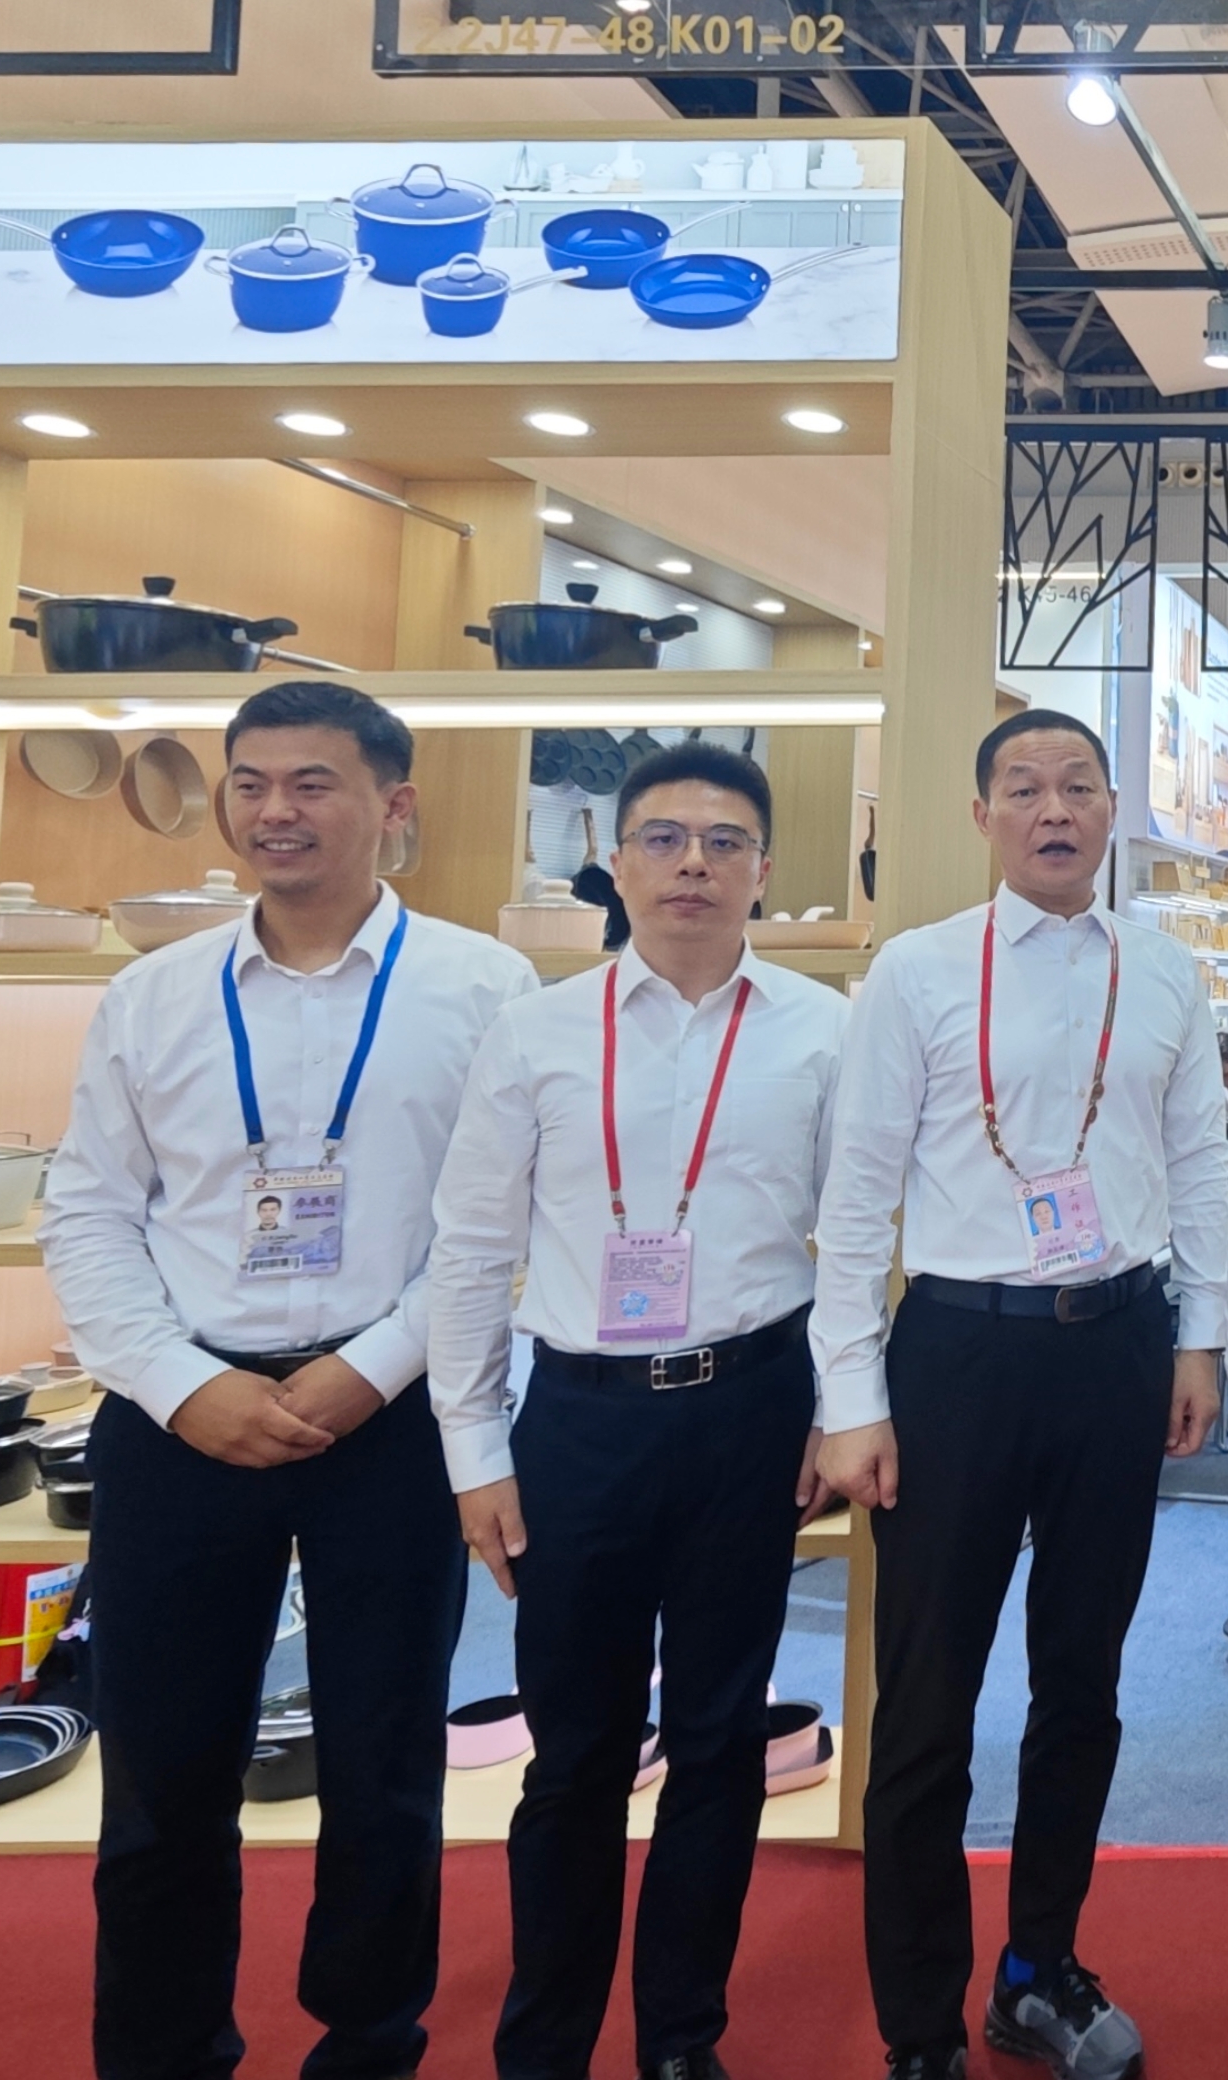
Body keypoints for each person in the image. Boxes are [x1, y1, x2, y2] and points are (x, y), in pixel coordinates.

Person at [38, 682, 537, 2080]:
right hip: (180, 1421)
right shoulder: (153, 996)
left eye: (312, 783)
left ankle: (368, 2041)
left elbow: (500, 1228)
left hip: (389, 1419)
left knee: (383, 1767)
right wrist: (177, 1381)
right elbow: (87, 1212)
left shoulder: (485, 990)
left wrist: (371, 1369)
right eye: (249, 783)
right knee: (161, 1769)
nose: (274, 811)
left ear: (393, 805)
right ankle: (161, 2048)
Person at [814, 709, 1228, 2080]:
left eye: (1077, 787)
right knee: (926, 1702)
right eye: (1023, 788)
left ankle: (1038, 1969)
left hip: (1116, 1346)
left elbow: (1198, 1163)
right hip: (958, 1356)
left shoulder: (1162, 971)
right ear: (982, 814)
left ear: (1111, 810)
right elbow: (856, 1192)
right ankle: (917, 2020)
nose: (1053, 809)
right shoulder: (917, 969)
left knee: (1082, 1686)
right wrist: (850, 1392)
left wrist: (1199, 1340)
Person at [430, 742, 847, 2080]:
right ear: (615, 863)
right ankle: (545, 2043)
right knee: (575, 1754)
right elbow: (467, 1248)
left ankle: (680, 2037)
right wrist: (473, 1449)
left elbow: (859, 1240)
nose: (692, 865)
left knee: (719, 1743)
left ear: (762, 871)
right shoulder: (536, 1030)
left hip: (751, 1409)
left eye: (724, 842)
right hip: (580, 1420)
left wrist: (841, 1407)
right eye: (663, 838)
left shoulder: (822, 1030)